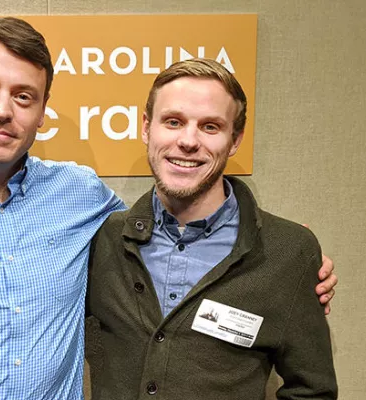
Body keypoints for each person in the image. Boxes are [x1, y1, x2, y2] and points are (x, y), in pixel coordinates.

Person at [0, 18, 337, 400]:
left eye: (25, 96)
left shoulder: (83, 198)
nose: (3, 110)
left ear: (43, 111)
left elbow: (167, 225)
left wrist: (283, 258)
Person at [86, 58, 338, 399]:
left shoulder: (288, 251)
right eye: (173, 122)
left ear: (235, 139)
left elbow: (313, 390)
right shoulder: (101, 239)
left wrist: (302, 264)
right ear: (146, 128)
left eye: (210, 127)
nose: (188, 141)